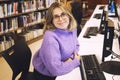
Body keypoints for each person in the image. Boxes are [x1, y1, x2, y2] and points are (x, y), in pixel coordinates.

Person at [32, 2, 80, 80]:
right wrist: (75, 62)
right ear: (51, 20)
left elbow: (76, 46)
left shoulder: (71, 28)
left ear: (68, 15)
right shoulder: (50, 38)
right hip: (46, 75)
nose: (60, 19)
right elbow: (55, 69)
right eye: (56, 16)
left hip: (62, 67)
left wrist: (70, 59)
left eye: (63, 14)